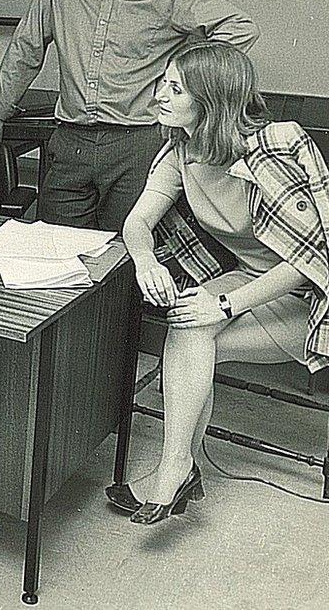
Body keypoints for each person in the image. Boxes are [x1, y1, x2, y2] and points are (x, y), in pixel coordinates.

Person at [106, 42, 329, 524]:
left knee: (193, 333)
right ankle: (178, 466)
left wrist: (225, 306)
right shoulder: (181, 150)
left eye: (175, 87)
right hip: (253, 280)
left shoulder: (276, 145)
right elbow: (137, 222)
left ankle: (175, 471)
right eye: (163, 80)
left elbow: (307, 260)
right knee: (187, 326)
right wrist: (146, 262)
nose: (160, 93)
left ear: (211, 99)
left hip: (312, 295)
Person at [0, 0, 259, 231]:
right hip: (70, 145)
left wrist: (186, 77)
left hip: (140, 147)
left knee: (124, 262)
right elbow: (25, 50)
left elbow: (241, 28)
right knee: (52, 254)